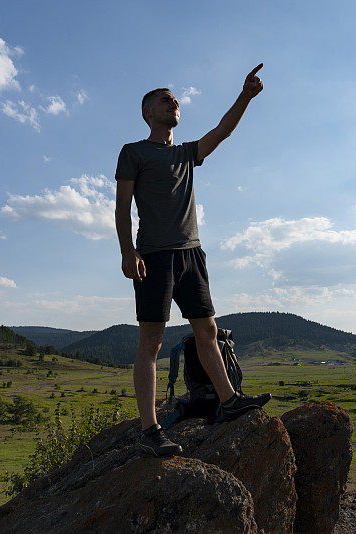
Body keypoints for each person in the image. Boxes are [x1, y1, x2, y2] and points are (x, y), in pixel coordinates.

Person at [114, 64, 272, 457]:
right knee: (151, 341)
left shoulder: (186, 153)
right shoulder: (133, 153)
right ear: (148, 112)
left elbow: (223, 131)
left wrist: (245, 96)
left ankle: (229, 399)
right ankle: (150, 428)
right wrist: (127, 252)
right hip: (153, 255)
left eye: (175, 100)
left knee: (208, 331)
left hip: (192, 253)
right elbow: (121, 208)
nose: (174, 103)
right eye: (165, 100)